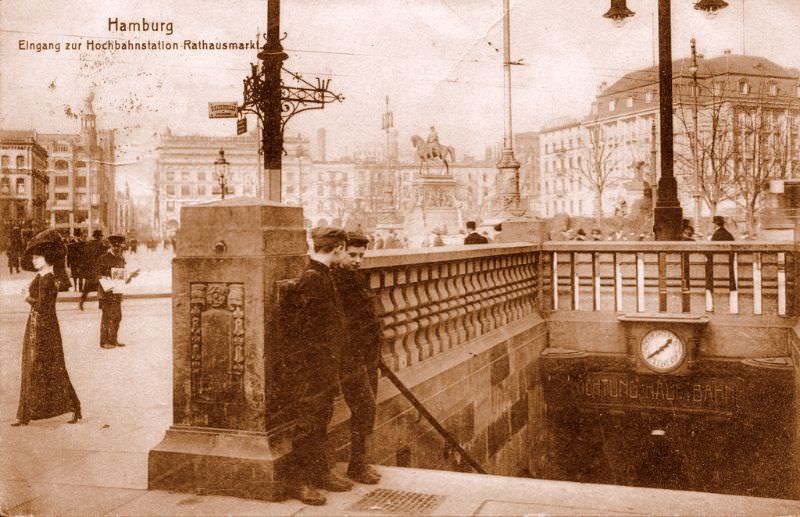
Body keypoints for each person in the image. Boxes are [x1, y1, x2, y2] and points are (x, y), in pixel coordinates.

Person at [285, 227, 352, 505]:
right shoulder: (313, 278)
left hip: (324, 363)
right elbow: (305, 329)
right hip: (313, 365)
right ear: (338, 247)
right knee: (308, 421)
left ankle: (320, 472)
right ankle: (298, 483)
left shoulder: (323, 275)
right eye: (345, 249)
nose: (346, 255)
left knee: (321, 417)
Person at [12, 229, 81, 426]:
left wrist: (27, 297)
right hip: (38, 324)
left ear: (47, 257)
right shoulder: (41, 276)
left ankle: (72, 407)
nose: (34, 260)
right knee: (37, 366)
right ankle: (25, 414)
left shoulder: (48, 279)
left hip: (44, 327)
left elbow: (43, 306)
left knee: (44, 366)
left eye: (38, 257)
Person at [332, 231, 383, 485]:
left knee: (367, 408)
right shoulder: (335, 280)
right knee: (364, 407)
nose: (357, 260)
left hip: (366, 355)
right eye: (352, 254)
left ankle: (360, 462)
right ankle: (357, 466)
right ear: (340, 251)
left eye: (361, 255)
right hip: (350, 356)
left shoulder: (353, 277)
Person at [96, 235, 135, 349]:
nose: (117, 248)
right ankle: (104, 342)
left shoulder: (121, 259)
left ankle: (113, 340)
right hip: (106, 292)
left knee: (117, 316)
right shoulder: (103, 258)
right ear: (111, 245)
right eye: (115, 246)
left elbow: (123, 277)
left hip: (117, 292)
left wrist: (130, 276)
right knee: (107, 317)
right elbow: (97, 274)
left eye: (119, 246)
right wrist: (106, 280)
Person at [79, 229, 110, 309]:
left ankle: (82, 302)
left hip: (90, 268)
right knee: (102, 286)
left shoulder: (88, 244)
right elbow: (104, 255)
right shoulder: (101, 244)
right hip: (99, 268)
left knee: (87, 287)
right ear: (100, 237)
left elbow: (84, 256)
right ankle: (101, 304)